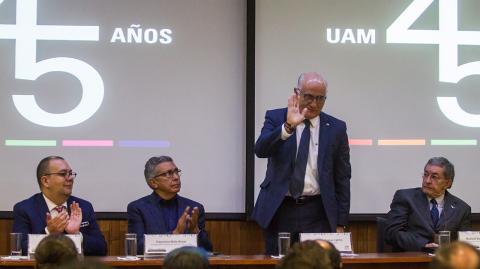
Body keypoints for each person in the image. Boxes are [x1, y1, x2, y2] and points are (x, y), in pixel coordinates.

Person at [252, 72, 351, 254]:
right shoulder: (276, 117)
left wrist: (340, 222)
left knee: (317, 264)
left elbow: (342, 178)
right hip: (280, 209)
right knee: (279, 263)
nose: (314, 104)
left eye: (320, 99)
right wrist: (288, 126)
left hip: (318, 211)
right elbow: (260, 150)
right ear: (297, 93)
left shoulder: (336, 128)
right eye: (309, 97)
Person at [12, 156, 107, 256]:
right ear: (45, 181)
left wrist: (76, 235)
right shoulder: (24, 209)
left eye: (70, 173)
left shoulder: (84, 207)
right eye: (63, 174)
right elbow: (20, 249)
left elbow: (102, 248)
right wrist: (49, 233)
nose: (70, 178)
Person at [127, 156, 212, 254]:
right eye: (168, 174)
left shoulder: (194, 208)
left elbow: (208, 250)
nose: (176, 177)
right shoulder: (138, 208)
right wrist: (175, 234)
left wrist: (196, 231)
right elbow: (137, 247)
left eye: (176, 172)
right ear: (153, 183)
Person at [384, 157, 471, 252]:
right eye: (425, 175)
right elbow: (392, 233)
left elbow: (464, 244)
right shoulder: (405, 197)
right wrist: (423, 244)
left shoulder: (461, 209)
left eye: (434, 177)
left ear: (448, 183)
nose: (427, 181)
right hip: (411, 260)